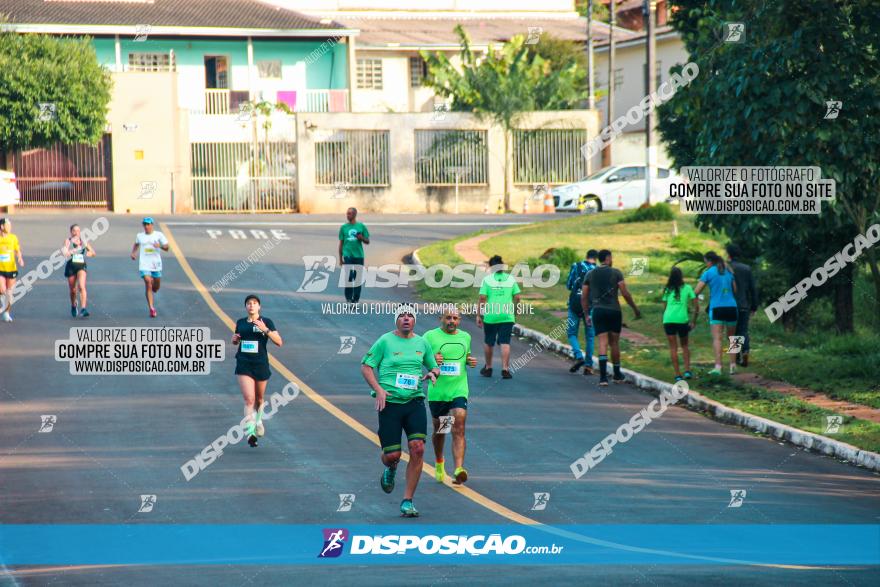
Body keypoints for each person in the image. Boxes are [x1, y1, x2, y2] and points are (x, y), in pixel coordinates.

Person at [361, 305, 439, 517]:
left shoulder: (422, 342)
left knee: (418, 448)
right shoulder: (385, 341)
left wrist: (433, 373)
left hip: (414, 401)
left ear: (414, 321)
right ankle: (391, 467)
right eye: (402, 316)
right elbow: (366, 366)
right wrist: (378, 390)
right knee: (392, 454)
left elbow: (434, 366)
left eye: (410, 316)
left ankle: (407, 500)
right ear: (396, 320)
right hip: (390, 403)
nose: (406, 319)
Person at [424, 305, 477, 485]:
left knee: (459, 424)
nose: (452, 321)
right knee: (441, 430)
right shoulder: (430, 336)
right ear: (441, 318)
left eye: (455, 318)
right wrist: (432, 360)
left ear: (459, 321)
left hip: (458, 389)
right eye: (448, 318)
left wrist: (470, 361)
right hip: (438, 391)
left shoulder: (465, 337)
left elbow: (466, 357)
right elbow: (420, 359)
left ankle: (458, 469)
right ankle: (440, 463)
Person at [581, 250, 641, 386]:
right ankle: (617, 374)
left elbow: (584, 296)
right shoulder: (616, 272)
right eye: (611, 258)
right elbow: (625, 293)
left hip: (598, 311)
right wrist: (635, 309)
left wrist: (586, 314)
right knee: (614, 343)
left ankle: (602, 377)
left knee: (602, 342)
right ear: (608, 258)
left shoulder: (590, 274)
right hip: (614, 311)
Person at [231, 295, 283, 448]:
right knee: (249, 399)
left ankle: (258, 420)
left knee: (259, 399)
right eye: (248, 303)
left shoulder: (266, 322)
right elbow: (236, 340)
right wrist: (234, 339)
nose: (251, 306)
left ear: (259, 307)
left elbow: (279, 342)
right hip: (243, 363)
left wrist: (265, 330)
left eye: (254, 303)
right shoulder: (240, 322)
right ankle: (251, 433)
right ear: (245, 307)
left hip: (260, 364)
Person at [694, 251, 738, 375]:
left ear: (709, 261)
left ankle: (718, 367)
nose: (705, 265)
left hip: (717, 307)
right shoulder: (729, 271)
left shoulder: (708, 273)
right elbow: (735, 290)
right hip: (732, 307)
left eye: (705, 262)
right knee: (733, 338)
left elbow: (696, 291)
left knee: (717, 338)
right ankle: (733, 365)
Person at [476, 255, 521, 379]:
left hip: (491, 316)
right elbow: (517, 297)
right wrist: (515, 310)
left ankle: (488, 367)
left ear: (491, 267)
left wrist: (479, 314)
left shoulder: (488, 280)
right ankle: (505, 369)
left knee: (489, 341)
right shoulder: (510, 279)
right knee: (505, 342)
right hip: (507, 315)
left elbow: (482, 298)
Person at [661, 266, 699, 382]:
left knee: (673, 347)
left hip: (668, 320)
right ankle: (687, 371)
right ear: (681, 276)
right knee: (685, 346)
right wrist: (693, 320)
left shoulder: (667, 289)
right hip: (682, 320)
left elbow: (664, 306)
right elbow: (696, 306)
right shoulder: (687, 288)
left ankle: (678, 375)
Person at [726, 244, 758, 367]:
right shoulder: (746, 268)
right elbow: (752, 289)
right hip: (744, 305)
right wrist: (754, 306)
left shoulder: (726, 268)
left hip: (729, 305)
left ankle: (735, 358)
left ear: (728, 254)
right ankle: (745, 351)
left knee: (732, 332)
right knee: (743, 330)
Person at [566, 249, 598, 375]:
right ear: (596, 258)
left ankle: (579, 356)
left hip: (574, 303)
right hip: (590, 306)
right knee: (590, 336)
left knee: (571, 333)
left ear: (586, 256)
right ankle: (588, 367)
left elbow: (569, 285)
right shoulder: (598, 270)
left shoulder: (576, 265)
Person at [130, 218, 169, 318]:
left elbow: (167, 247)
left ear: (152, 225)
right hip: (144, 264)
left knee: (156, 287)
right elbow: (136, 244)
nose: (146, 226)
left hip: (156, 264)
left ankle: (154, 286)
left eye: (148, 224)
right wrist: (133, 253)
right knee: (147, 281)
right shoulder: (140, 236)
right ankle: (151, 308)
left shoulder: (158, 235)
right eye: (145, 224)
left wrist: (159, 245)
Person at [62, 224, 96, 318]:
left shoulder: (83, 241)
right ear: (71, 232)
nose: (76, 232)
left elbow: (93, 252)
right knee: (73, 290)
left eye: (78, 230)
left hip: (81, 266)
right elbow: (65, 253)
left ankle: (83, 309)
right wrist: (72, 251)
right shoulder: (68, 241)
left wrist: (89, 253)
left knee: (81, 286)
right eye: (74, 230)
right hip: (71, 266)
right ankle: (73, 305)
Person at [338, 207, 370, 303]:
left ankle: (355, 299)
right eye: (347, 213)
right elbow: (341, 243)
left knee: (357, 278)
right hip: (347, 255)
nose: (348, 215)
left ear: (355, 215)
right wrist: (340, 258)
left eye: (350, 214)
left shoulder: (361, 226)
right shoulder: (343, 228)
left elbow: (367, 241)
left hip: (359, 256)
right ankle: (348, 298)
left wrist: (361, 238)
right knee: (349, 276)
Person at [0, 217, 24, 322]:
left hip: (11, 269)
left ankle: (6, 312)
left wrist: (19, 258)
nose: (10, 227)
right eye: (7, 225)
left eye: (10, 225)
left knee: (9, 293)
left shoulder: (13, 238)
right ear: (1, 226)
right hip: (0, 269)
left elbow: (17, 250)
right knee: (2, 290)